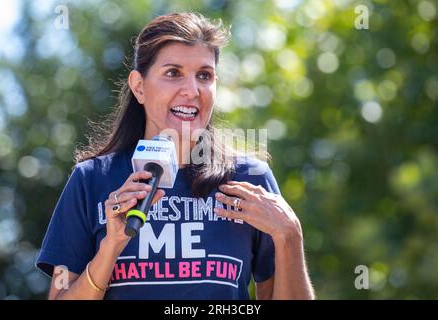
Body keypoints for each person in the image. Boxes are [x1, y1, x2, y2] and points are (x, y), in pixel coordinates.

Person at [36, 12, 315, 300]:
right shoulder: (91, 180)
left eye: (204, 76)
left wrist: (290, 236)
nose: (192, 91)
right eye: (173, 73)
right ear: (139, 86)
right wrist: (111, 246)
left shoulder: (249, 179)